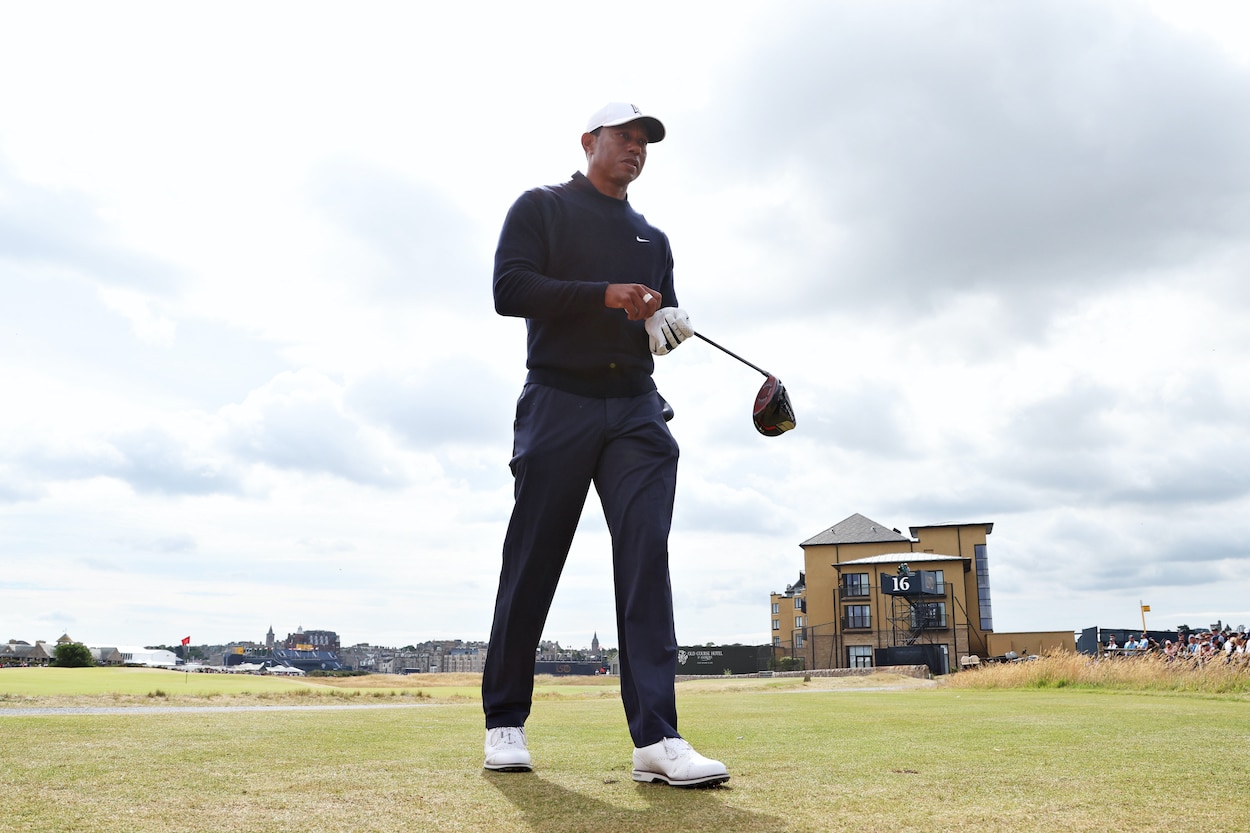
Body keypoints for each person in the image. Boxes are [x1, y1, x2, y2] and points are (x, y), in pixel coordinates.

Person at [480, 102, 729, 788]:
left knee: (647, 559)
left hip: (635, 411)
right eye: (624, 136)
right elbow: (509, 289)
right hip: (558, 398)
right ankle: (504, 719)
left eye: (645, 141)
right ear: (590, 140)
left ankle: (656, 737)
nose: (636, 149)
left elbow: (659, 323)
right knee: (533, 558)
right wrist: (605, 295)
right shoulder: (541, 207)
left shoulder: (653, 238)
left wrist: (666, 327)